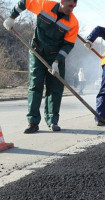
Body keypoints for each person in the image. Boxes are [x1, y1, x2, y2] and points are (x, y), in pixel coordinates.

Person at [3, 0, 79, 133]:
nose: (72, 9)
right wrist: (11, 17)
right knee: (35, 86)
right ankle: (33, 122)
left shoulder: (73, 22)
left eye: (74, 7)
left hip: (56, 57)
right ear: (62, 2)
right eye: (70, 6)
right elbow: (24, 2)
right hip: (37, 52)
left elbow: (68, 45)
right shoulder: (45, 5)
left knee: (55, 89)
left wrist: (57, 62)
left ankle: (53, 121)